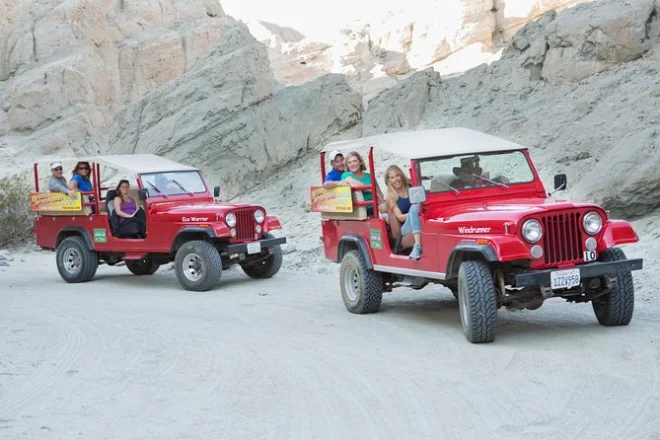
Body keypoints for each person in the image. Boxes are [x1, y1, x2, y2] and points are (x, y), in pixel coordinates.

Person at [384, 165, 423, 260]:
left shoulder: (412, 186)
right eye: (392, 177)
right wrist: (414, 213)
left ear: (401, 175)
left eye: (397, 175)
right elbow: (400, 217)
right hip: (405, 227)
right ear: (389, 181)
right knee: (414, 207)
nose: (396, 179)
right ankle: (417, 245)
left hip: (421, 219)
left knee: (415, 208)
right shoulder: (391, 196)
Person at [340, 151, 387, 217]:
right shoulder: (346, 175)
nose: (352, 164)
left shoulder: (369, 176)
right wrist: (371, 190)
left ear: (360, 162)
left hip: (374, 205)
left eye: (354, 161)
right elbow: (351, 181)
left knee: (388, 206)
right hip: (359, 209)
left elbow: (380, 194)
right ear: (347, 165)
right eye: (349, 162)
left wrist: (380, 199)